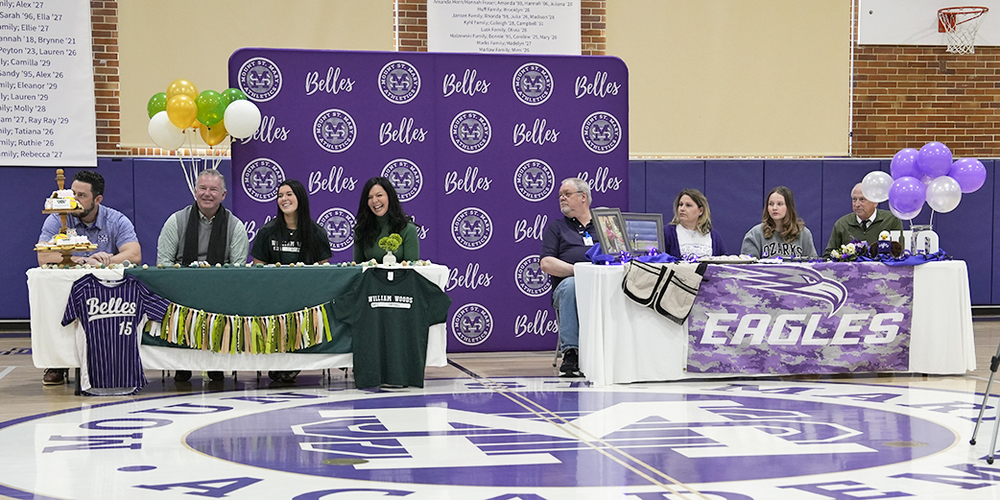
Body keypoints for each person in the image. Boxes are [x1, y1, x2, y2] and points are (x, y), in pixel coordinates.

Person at [37, 170, 142, 386]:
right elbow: (44, 255)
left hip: (103, 293)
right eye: (73, 193)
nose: (74, 201)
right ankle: (57, 362)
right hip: (66, 290)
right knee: (54, 297)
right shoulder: (58, 218)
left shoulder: (116, 220)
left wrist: (105, 261)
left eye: (81, 196)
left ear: (97, 199)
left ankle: (110, 360)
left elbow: (134, 254)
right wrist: (82, 260)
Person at [156, 168, 249, 382]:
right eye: (203, 188)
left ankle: (215, 362)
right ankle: (182, 362)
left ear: (223, 195)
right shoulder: (175, 222)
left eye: (214, 189)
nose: (207, 194)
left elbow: (237, 270)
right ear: (195, 191)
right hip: (181, 291)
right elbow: (164, 265)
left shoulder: (235, 227)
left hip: (220, 292)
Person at [250, 179, 332, 384]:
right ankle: (277, 361)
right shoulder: (266, 232)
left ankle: (295, 363)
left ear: (300, 199)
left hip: (306, 301)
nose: (283, 199)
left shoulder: (317, 233)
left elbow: (325, 271)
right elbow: (257, 268)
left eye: (289, 194)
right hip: (274, 299)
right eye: (280, 195)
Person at [540, 177, 594, 377]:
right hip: (568, 287)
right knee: (572, 286)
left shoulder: (604, 224)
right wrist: (578, 271)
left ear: (583, 197)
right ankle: (571, 353)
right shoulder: (556, 228)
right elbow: (546, 263)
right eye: (560, 196)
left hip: (602, 285)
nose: (562, 198)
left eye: (567, 194)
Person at [825, 182, 904, 256]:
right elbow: (829, 255)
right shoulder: (842, 224)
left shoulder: (891, 220)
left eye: (862, 199)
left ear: (875, 202)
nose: (857, 204)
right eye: (854, 199)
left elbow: (900, 252)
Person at [353, 177, 420, 263]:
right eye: (369, 197)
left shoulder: (407, 228)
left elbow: (412, 269)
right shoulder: (361, 230)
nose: (374, 200)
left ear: (390, 197)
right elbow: (358, 268)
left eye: (379, 195)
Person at [740, 186, 817, 258]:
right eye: (771, 204)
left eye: (779, 204)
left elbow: (813, 265)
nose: (774, 208)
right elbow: (747, 268)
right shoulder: (755, 234)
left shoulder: (804, 234)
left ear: (789, 207)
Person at [663, 188, 727, 258]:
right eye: (680, 204)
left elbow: (723, 263)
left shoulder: (714, 236)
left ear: (701, 211)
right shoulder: (667, 233)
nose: (682, 209)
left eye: (688, 205)